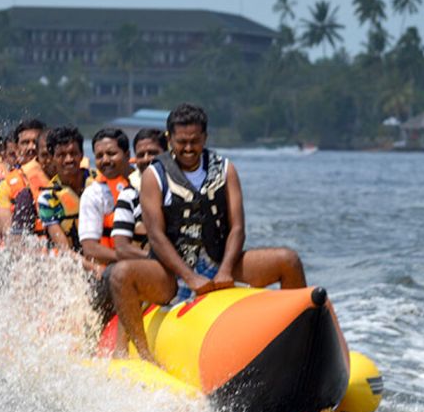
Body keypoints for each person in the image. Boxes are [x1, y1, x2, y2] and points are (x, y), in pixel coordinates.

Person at [109, 103, 307, 362]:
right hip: (171, 272)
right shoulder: (154, 176)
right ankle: (144, 356)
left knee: (287, 261)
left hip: (221, 262)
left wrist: (225, 270)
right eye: (181, 142)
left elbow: (237, 228)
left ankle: (297, 348)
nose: (189, 148)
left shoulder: (225, 169)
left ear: (205, 137)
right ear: (169, 139)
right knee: (120, 274)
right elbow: (156, 236)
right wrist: (190, 277)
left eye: (195, 141)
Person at [110, 128, 168, 260]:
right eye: (141, 155)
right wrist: (161, 260)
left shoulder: (180, 189)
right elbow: (122, 248)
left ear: (167, 154)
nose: (146, 159)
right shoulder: (129, 195)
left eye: (153, 153)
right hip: (149, 266)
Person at [79, 128, 133, 266]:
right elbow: (90, 248)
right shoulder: (93, 194)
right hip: (113, 269)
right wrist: (133, 259)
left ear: (127, 155)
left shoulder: (145, 184)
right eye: (99, 156)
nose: (105, 160)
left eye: (111, 153)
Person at [36, 126, 95, 252]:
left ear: (82, 155)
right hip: (73, 260)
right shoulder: (48, 199)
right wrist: (94, 268)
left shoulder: (99, 184)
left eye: (73, 153)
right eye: (61, 155)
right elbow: (65, 251)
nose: (69, 160)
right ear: (52, 158)